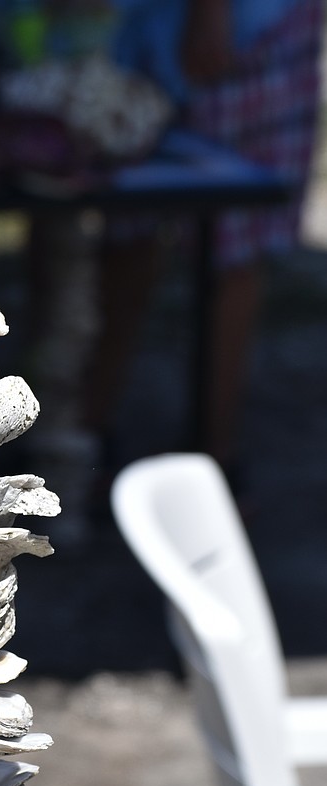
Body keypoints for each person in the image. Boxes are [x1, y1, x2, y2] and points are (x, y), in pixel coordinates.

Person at [86, 0, 323, 486]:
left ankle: (215, 460)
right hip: (144, 27)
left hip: (240, 30)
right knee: (127, 233)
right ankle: (85, 441)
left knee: (231, 246)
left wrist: (210, 13)